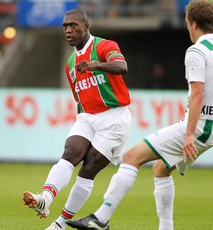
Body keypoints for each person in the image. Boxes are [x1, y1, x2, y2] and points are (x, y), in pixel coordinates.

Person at [66, 1, 213, 230]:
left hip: (202, 126)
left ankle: (101, 218)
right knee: (161, 168)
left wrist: (189, 134)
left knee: (131, 157)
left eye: (187, 25)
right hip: (209, 127)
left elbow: (197, 94)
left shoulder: (196, 51)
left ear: (193, 23)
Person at [22, 8, 132, 230]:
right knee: (70, 152)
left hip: (114, 118)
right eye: (65, 27)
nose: (68, 30)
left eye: (73, 26)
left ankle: (60, 224)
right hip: (87, 116)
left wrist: (95, 65)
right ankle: (45, 199)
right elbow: (80, 98)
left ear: (86, 27)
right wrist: (82, 121)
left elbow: (122, 67)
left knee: (88, 168)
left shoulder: (104, 46)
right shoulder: (70, 64)